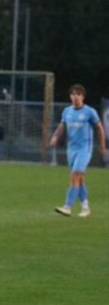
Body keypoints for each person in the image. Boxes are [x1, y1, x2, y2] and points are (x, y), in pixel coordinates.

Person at [49, 84, 106, 217]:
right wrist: (55, 137)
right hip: (71, 150)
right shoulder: (67, 111)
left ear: (83, 97)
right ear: (70, 96)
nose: (75, 97)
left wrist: (102, 146)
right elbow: (62, 126)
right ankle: (85, 208)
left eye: (78, 94)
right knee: (79, 179)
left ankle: (67, 207)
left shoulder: (89, 112)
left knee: (74, 176)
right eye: (73, 94)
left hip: (84, 149)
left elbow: (100, 128)